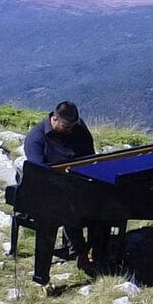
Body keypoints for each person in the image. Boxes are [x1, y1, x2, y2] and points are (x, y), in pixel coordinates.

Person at [22, 100, 96, 270]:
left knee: (103, 204)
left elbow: (90, 156)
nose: (70, 130)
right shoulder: (36, 138)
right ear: (54, 119)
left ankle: (99, 249)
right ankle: (82, 253)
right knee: (68, 210)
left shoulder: (78, 128)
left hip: (77, 181)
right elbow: (38, 174)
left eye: (72, 126)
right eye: (66, 127)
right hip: (48, 188)